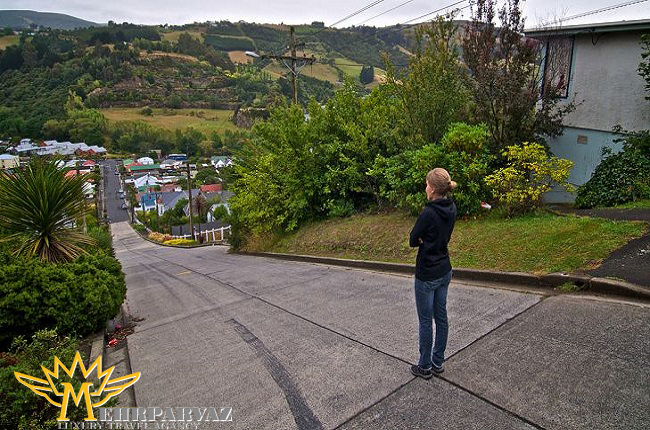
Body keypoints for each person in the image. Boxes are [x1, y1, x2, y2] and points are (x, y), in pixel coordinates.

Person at [409, 168, 457, 379]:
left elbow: (413, 239)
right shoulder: (452, 207)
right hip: (444, 269)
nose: (425, 187)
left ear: (434, 189)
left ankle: (424, 366)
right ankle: (438, 362)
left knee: (426, 321)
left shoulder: (428, 213)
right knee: (442, 317)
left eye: (427, 184)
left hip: (427, 274)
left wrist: (423, 240)